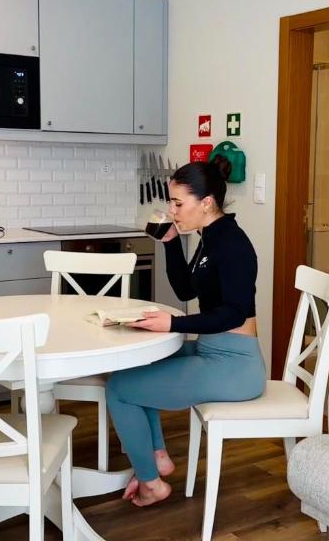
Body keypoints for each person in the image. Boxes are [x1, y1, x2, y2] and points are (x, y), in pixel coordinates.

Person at [106, 158, 264, 507]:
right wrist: (171, 242)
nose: (172, 210)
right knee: (136, 365)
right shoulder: (210, 238)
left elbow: (234, 312)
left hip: (235, 366)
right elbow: (186, 290)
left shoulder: (233, 244)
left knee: (118, 391)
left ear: (206, 202)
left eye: (178, 203)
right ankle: (157, 456)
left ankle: (151, 483)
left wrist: (173, 324)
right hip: (214, 351)